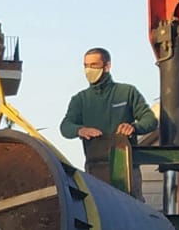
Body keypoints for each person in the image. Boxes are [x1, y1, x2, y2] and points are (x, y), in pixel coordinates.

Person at [59, 48, 157, 191]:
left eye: (94, 65)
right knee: (98, 210)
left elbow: (150, 120)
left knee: (130, 209)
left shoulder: (127, 92)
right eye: (86, 66)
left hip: (128, 168)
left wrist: (134, 127)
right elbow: (65, 127)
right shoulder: (80, 99)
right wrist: (80, 130)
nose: (88, 70)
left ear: (107, 66)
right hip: (95, 168)